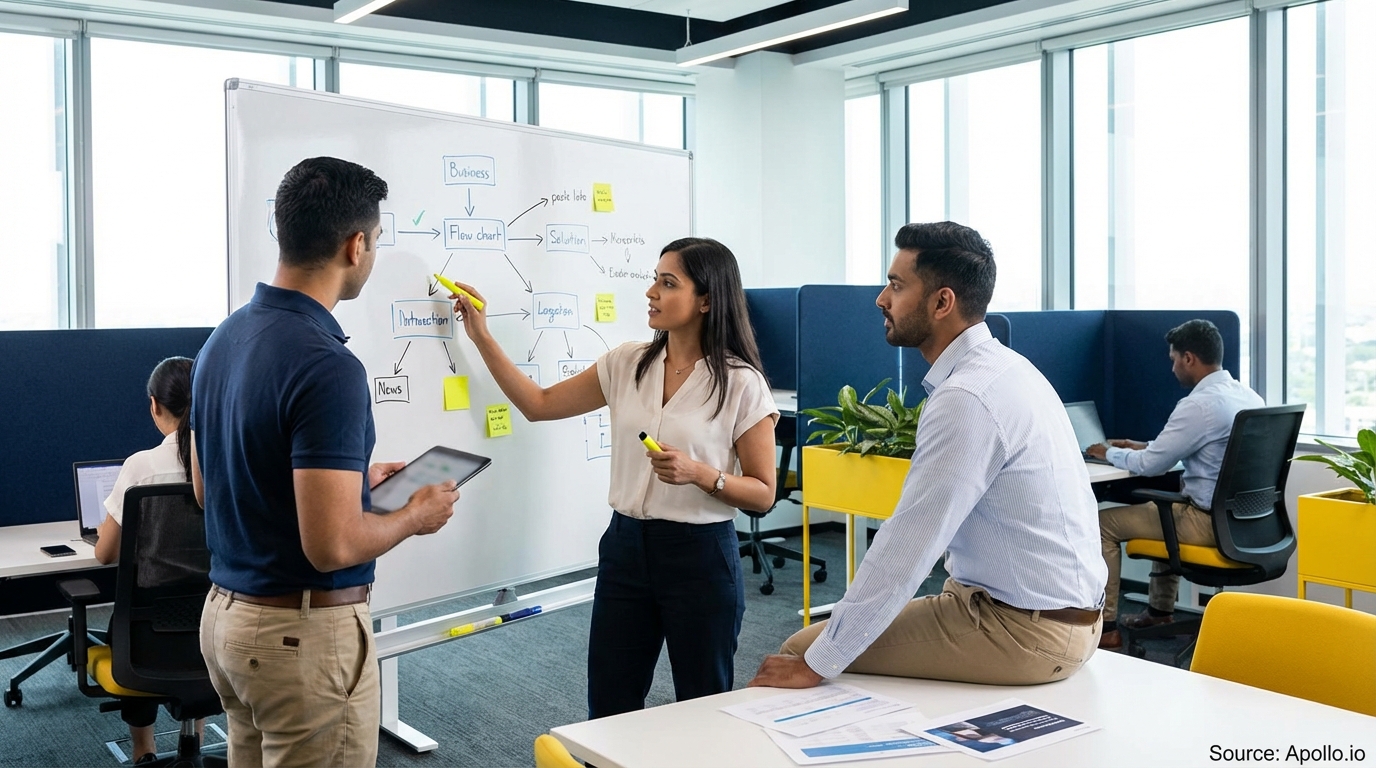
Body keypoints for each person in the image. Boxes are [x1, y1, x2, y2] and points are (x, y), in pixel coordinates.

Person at [749, 221, 1107, 690]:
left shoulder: (967, 397)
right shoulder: (1007, 369)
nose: (881, 298)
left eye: (897, 285)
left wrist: (820, 661)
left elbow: (908, 545)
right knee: (844, 640)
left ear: (942, 302)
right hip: (1056, 616)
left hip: (1025, 633)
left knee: (802, 651)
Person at [190, 157, 460, 767]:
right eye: (378, 241)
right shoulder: (328, 365)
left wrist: (351, 481)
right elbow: (332, 547)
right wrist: (416, 514)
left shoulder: (224, 339)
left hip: (228, 625)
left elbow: (214, 487)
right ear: (355, 244)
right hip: (300, 638)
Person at [448, 237, 778, 718]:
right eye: (654, 279)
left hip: (700, 557)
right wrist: (481, 335)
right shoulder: (628, 362)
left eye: (668, 283)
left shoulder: (741, 382)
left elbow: (764, 494)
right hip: (626, 548)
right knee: (610, 701)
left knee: (703, 702)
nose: (651, 292)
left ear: (707, 299)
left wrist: (701, 474)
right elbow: (538, 405)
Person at [1086, 319, 1263, 650]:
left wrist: (1107, 453)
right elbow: (1194, 449)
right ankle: (1159, 614)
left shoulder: (1198, 405)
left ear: (1189, 359)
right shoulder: (1248, 396)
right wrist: (1138, 445)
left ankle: (1106, 626)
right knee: (1166, 508)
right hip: (1245, 522)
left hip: (1205, 523)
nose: (1172, 368)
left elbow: (1152, 466)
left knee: (1101, 525)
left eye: (1173, 359)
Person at [93, 356, 202, 764]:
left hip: (148, 636)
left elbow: (105, 553)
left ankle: (144, 751)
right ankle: (192, 740)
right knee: (195, 637)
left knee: (130, 629)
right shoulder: (225, 460)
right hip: (215, 628)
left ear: (155, 405)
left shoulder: (141, 466)